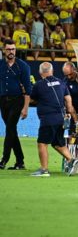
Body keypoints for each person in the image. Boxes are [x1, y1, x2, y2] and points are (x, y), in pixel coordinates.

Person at [30, 62, 78, 177]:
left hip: (48, 119)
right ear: (52, 71)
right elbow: (68, 99)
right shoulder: (61, 82)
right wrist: (68, 112)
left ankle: (44, 170)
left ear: (40, 72)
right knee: (58, 143)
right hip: (61, 118)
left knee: (42, 143)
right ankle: (72, 160)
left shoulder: (39, 85)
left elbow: (32, 100)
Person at [0, 39, 32, 170]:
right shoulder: (0, 65)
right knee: (12, 130)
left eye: (13, 49)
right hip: (3, 101)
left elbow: (28, 88)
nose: (11, 51)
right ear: (4, 50)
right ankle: (20, 161)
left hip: (17, 101)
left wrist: (25, 108)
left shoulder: (23, 66)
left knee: (9, 129)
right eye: (8, 49)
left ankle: (3, 160)